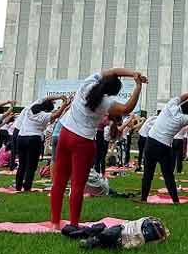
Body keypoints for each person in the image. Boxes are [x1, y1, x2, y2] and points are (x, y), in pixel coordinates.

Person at [50, 68, 146, 231]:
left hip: (65, 134)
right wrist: (137, 86)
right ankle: (73, 224)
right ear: (112, 92)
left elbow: (113, 71)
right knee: (77, 185)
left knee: (59, 182)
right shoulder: (106, 103)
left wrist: (132, 73)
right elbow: (126, 109)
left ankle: (54, 223)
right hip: (83, 141)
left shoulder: (87, 84)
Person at [139, 92, 188, 203]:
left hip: (151, 141)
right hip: (164, 146)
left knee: (148, 173)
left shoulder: (170, 106)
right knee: (168, 175)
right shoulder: (183, 119)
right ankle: (175, 200)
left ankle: (143, 199)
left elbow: (186, 95)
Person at [12, 96, 70, 192]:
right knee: (31, 165)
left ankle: (18, 186)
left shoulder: (31, 108)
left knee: (22, 164)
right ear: (47, 109)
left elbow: (46, 98)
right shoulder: (44, 115)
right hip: (34, 139)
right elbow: (57, 115)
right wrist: (65, 104)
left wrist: (59, 97)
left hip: (21, 137)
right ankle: (27, 186)